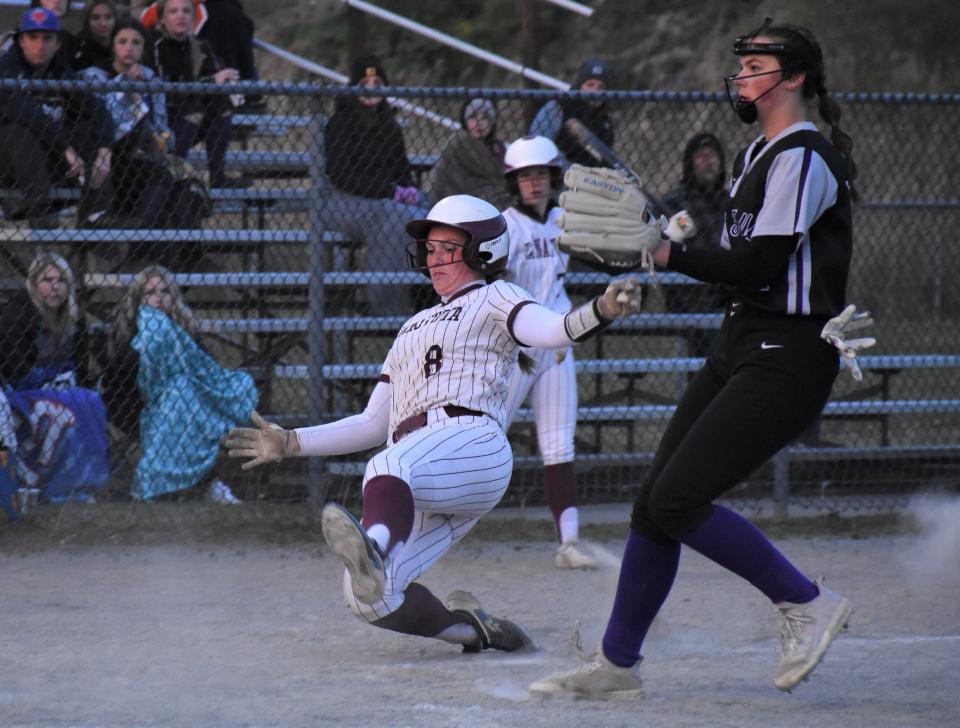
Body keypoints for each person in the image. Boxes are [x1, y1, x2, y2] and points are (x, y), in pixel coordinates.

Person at [530, 19, 868, 699]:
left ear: (794, 77)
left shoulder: (803, 156)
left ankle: (806, 601)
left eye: (756, 65)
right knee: (655, 504)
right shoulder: (753, 156)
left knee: (680, 498)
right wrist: (667, 245)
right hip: (741, 340)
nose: (741, 76)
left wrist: (669, 253)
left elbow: (763, 263)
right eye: (739, 65)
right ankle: (617, 663)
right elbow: (734, 270)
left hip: (790, 351)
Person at [225, 194, 641, 653]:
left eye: (448, 246)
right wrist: (291, 442)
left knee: (386, 468)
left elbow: (554, 330)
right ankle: (474, 630)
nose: (435, 257)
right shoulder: (411, 328)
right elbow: (370, 422)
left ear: (483, 249)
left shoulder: (496, 295)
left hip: (472, 445)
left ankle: (376, 548)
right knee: (368, 599)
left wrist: (600, 309)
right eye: (431, 248)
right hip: (424, 473)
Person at [500, 135, 597, 570]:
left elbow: (607, 252)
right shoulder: (504, 226)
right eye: (525, 176)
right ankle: (419, 523)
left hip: (556, 343)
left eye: (540, 174)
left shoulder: (563, 218)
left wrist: (657, 233)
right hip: (515, 348)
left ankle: (568, 543)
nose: (534, 183)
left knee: (558, 444)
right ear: (514, 182)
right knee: (480, 437)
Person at [100, 266, 256, 502]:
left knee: (182, 393)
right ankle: (207, 485)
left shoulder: (185, 329)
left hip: (187, 405)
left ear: (174, 297)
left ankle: (187, 485)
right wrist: (148, 346)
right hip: (135, 405)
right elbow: (116, 381)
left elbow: (204, 369)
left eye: (165, 291)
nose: (159, 298)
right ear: (138, 299)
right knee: (180, 399)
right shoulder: (129, 330)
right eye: (150, 292)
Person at [82, 18, 209, 241]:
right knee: (163, 179)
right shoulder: (94, 76)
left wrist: (164, 138)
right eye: (122, 41)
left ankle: (173, 255)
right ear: (113, 45)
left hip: (143, 157)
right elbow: (105, 123)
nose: (129, 47)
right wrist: (125, 85)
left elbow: (161, 126)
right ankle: (143, 245)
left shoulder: (151, 80)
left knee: (181, 190)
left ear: (143, 48)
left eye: (136, 43)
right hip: (109, 158)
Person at [322, 53, 427, 316]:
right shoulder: (340, 123)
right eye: (364, 84)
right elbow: (341, 176)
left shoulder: (389, 124)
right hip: (340, 199)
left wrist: (409, 190)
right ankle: (387, 309)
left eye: (377, 83)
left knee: (430, 210)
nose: (371, 90)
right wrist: (390, 192)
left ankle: (429, 300)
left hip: (383, 197)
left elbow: (401, 168)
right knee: (392, 215)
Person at [0, 252, 109, 503]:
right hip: (22, 390)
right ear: (33, 284)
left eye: (61, 280)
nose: (55, 287)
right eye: (47, 280)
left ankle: (78, 481)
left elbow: (81, 367)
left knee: (89, 400)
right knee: (66, 405)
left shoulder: (74, 317)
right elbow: (16, 370)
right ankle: (43, 482)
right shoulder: (16, 314)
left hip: (62, 386)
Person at [0, 7, 116, 229]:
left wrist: (104, 148)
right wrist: (65, 147)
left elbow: (98, 110)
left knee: (86, 132)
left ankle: (94, 214)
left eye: (47, 38)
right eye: (32, 37)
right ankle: (40, 213)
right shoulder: (6, 70)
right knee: (19, 133)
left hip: (45, 162)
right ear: (21, 41)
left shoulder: (61, 73)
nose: (40, 45)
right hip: (7, 163)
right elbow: (28, 114)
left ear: (58, 43)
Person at [152, 0, 246, 189]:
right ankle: (172, 172)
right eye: (173, 12)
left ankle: (217, 176)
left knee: (221, 103)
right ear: (162, 20)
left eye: (186, 11)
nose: (180, 16)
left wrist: (225, 81)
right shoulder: (158, 46)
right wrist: (211, 81)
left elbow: (211, 81)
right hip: (166, 122)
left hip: (198, 117)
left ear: (193, 18)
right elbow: (169, 91)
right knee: (193, 107)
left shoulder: (201, 46)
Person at [657, 131, 730, 356]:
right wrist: (671, 235)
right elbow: (655, 251)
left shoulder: (731, 202)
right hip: (688, 298)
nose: (707, 161)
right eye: (701, 156)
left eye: (712, 155)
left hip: (726, 293)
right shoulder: (674, 202)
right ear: (690, 163)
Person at [427, 98, 512, 210]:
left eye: (485, 118)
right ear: (465, 120)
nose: (479, 123)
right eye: (473, 117)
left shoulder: (498, 147)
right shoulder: (458, 143)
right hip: (457, 202)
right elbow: (444, 180)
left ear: (492, 122)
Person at [530, 58, 614, 169]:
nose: (595, 91)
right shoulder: (558, 107)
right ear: (580, 85)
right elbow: (536, 147)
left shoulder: (604, 121)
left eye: (601, 87)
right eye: (590, 85)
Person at [71, 0, 117, 71]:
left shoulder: (122, 40)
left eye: (108, 17)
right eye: (96, 18)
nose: (103, 24)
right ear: (87, 21)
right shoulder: (79, 46)